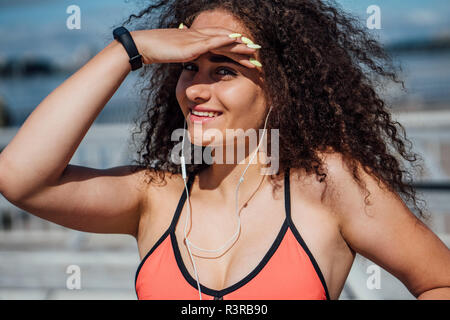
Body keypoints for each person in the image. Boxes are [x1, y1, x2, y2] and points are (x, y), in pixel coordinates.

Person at [0, 0, 449, 300]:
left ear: (278, 85)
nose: (195, 89)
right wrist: (128, 51)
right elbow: (20, 179)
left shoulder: (327, 184)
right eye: (188, 67)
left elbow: (439, 282)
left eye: (223, 71)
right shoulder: (155, 197)